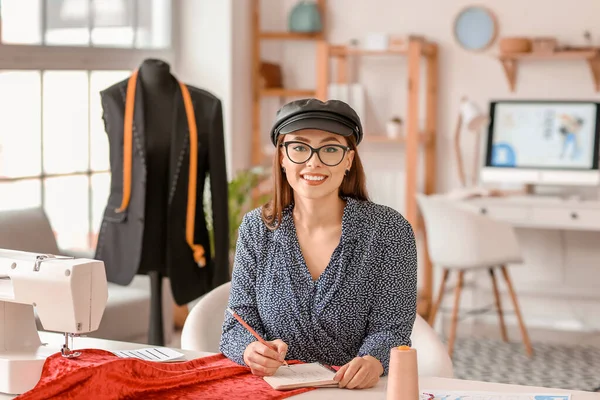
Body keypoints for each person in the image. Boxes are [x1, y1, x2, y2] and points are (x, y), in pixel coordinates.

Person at [219, 98, 417, 390]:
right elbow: (237, 323)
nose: (314, 161)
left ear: (348, 159)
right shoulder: (256, 228)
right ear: (283, 157)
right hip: (273, 390)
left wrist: (374, 360)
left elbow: (392, 328)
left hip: (353, 393)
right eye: (299, 147)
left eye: (330, 149)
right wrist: (251, 350)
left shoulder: (389, 230)